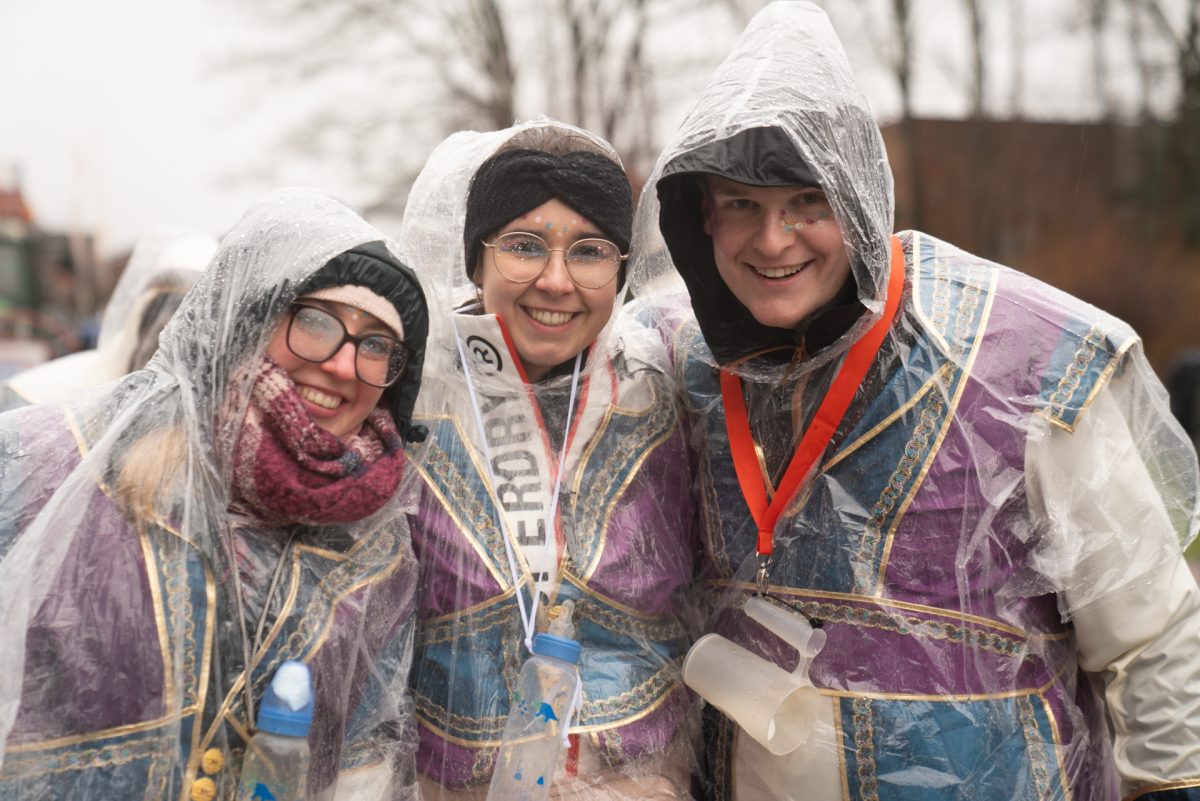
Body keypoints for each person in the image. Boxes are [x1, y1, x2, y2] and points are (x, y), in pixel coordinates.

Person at [629, 3, 1200, 799]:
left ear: (859, 202)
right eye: (741, 207)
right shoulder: (680, 361)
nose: (773, 240)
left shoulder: (1019, 358)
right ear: (702, 218)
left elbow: (1153, 634)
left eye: (807, 203)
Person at [0, 188, 429, 800]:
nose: (341, 365)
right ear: (243, 320)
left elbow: (364, 762)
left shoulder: (379, 545)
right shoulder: (48, 464)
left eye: (377, 345)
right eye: (313, 321)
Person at [398, 120, 699, 799]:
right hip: (453, 781)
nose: (556, 280)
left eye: (589, 251)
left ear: (621, 270)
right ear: (475, 258)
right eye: (524, 246)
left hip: (640, 779)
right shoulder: (403, 394)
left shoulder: (671, 387)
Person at [0, 226, 215, 412]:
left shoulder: (203, 408)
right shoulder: (45, 393)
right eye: (164, 308)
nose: (170, 329)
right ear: (140, 314)